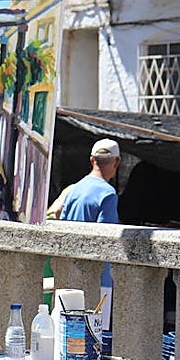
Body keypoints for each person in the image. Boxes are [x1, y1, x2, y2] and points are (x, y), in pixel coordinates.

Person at [54, 138, 121, 326]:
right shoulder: (108, 194)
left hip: (70, 272)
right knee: (95, 336)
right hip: (99, 278)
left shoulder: (74, 190)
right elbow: (105, 237)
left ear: (92, 160)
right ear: (116, 162)